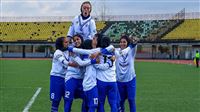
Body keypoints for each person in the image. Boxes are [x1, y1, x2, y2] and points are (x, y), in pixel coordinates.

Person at [50, 37, 77, 112]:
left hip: (67, 78)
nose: (68, 43)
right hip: (57, 78)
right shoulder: (57, 52)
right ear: (61, 43)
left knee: (68, 99)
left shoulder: (69, 51)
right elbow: (63, 61)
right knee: (56, 100)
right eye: (65, 42)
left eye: (68, 42)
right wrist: (71, 64)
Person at [115, 35, 139, 112]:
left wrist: (134, 39)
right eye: (121, 42)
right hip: (119, 81)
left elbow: (135, 43)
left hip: (130, 80)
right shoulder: (116, 51)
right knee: (120, 101)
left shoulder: (131, 51)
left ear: (127, 43)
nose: (122, 44)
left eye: (124, 42)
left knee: (131, 100)